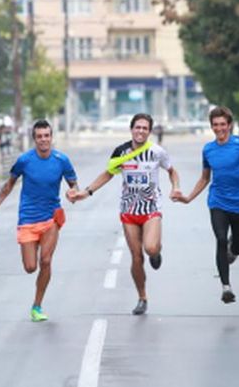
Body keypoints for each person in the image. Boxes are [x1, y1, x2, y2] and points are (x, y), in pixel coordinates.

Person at [69, 113, 180, 315]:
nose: (140, 131)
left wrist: (176, 187)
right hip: (128, 210)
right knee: (136, 257)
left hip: (151, 208)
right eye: (137, 127)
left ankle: (156, 252)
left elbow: (172, 171)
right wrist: (87, 192)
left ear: (149, 131)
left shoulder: (157, 152)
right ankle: (142, 297)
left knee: (150, 247)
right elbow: (109, 173)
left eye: (145, 128)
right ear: (131, 129)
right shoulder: (121, 151)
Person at [176, 106, 239, 304]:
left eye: (222, 124)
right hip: (218, 201)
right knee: (220, 239)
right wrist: (188, 198)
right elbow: (204, 178)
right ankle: (226, 287)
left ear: (229, 125)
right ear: (211, 127)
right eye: (215, 125)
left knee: (238, 246)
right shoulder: (208, 149)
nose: (219, 128)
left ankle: (233, 251)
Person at [0, 120, 79, 321]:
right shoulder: (24, 160)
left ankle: (37, 306)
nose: (43, 140)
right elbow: (9, 184)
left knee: (46, 260)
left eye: (46, 136)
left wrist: (73, 193)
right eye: (39, 136)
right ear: (34, 139)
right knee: (30, 267)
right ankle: (35, 258)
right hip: (28, 219)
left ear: (51, 137)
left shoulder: (61, 160)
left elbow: (73, 184)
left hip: (51, 217)